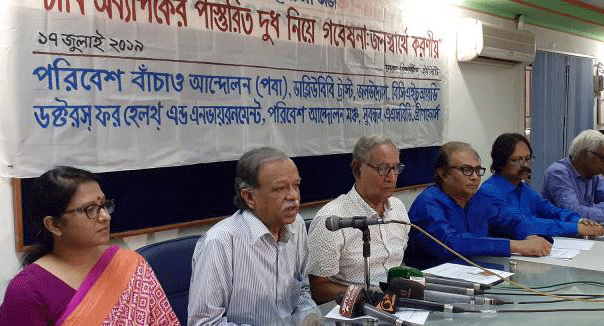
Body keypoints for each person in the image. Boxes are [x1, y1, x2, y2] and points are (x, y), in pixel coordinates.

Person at [0, 166, 179, 326]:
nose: (105, 217)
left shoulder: (130, 264)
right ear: (54, 225)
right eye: (90, 209)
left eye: (104, 205)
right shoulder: (27, 290)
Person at [188, 147, 320, 326]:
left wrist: (309, 317)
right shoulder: (219, 242)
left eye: (296, 186)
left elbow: (302, 292)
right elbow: (204, 323)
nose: (294, 197)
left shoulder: (296, 227)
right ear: (249, 197)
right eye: (280, 189)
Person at [405, 142, 552, 270]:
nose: (475, 177)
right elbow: (452, 243)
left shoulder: (477, 199)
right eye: (466, 170)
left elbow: (510, 222)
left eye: (478, 170)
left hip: (477, 273)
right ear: (443, 174)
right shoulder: (428, 203)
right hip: (434, 283)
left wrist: (530, 237)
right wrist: (516, 246)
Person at [307, 136, 410, 304]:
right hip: (354, 309)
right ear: (357, 168)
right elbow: (318, 288)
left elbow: (398, 262)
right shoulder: (332, 219)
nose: (391, 177)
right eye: (382, 168)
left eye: (395, 168)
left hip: (396, 303)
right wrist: (369, 296)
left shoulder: (397, 208)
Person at [480, 133, 604, 238]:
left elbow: (550, 210)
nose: (525, 165)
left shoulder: (524, 189)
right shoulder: (490, 192)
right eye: (517, 160)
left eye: (528, 159)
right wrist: (575, 228)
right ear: (501, 162)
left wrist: (580, 221)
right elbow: (522, 224)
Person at [542, 129, 604, 222]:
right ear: (584, 154)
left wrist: (586, 210)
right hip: (556, 234)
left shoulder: (593, 175)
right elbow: (573, 212)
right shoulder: (558, 173)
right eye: (603, 158)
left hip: (583, 232)